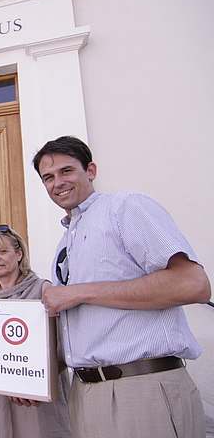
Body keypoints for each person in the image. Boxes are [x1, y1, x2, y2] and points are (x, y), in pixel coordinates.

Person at [32, 136, 211, 438]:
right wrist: (32, 378)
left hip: (141, 389)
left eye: (67, 171)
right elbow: (81, 332)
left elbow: (193, 284)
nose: (57, 183)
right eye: (48, 177)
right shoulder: (66, 243)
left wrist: (79, 291)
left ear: (90, 171)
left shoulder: (124, 207)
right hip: (85, 393)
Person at [0, 224, 71, 437]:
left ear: (19, 254)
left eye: (2, 251)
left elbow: (63, 346)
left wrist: (36, 383)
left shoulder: (43, 289)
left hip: (34, 395)